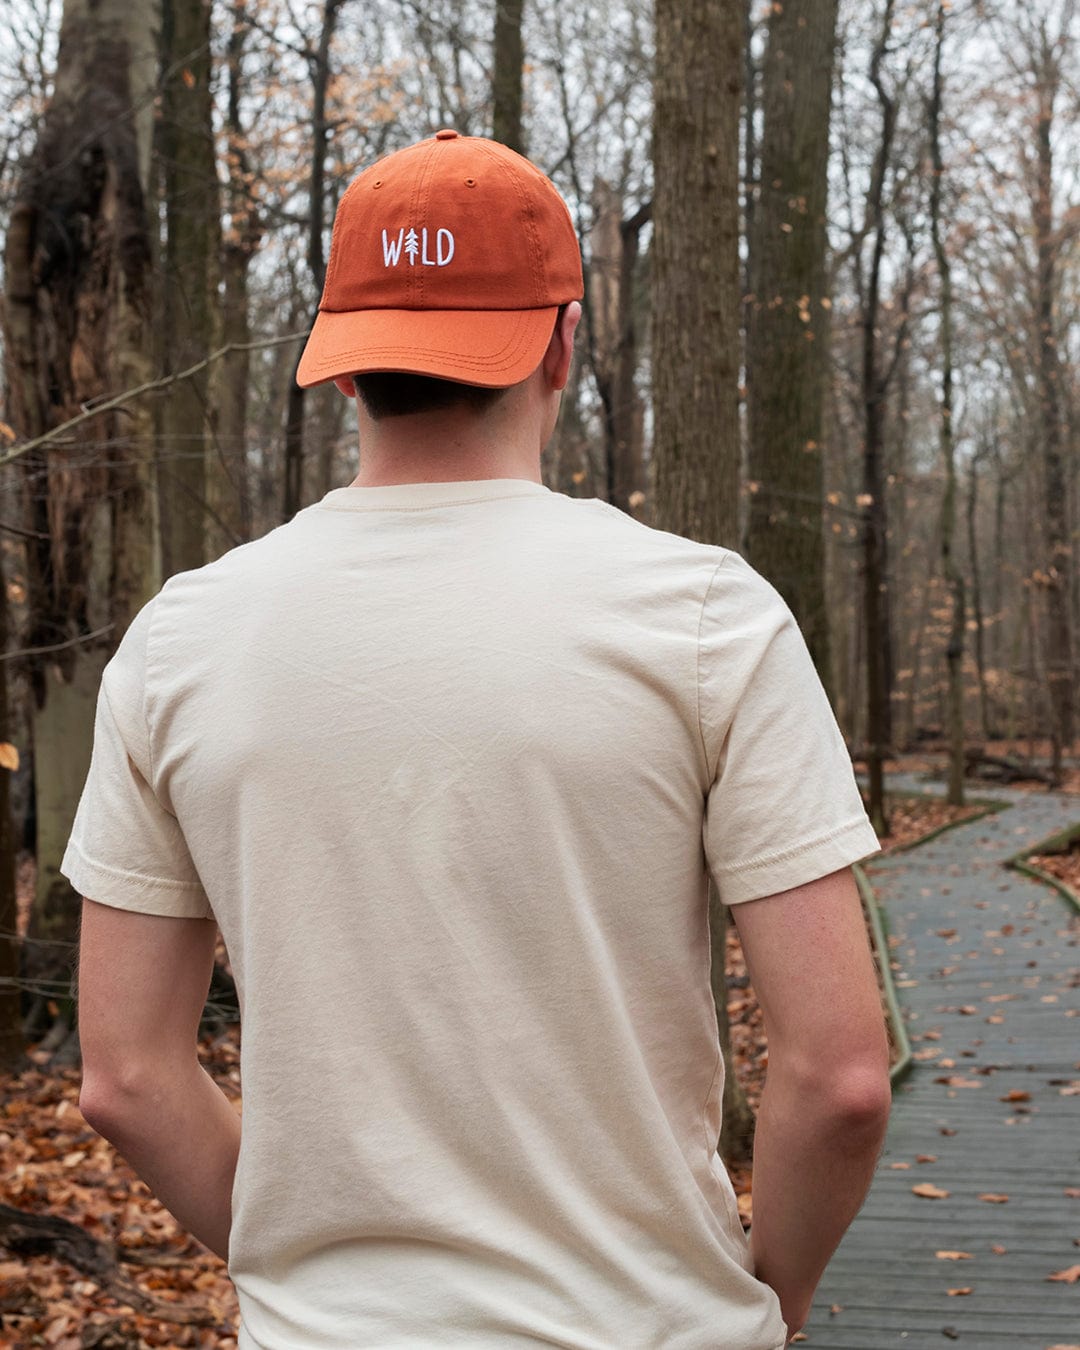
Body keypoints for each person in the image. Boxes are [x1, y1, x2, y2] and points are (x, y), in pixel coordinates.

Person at [65, 130, 891, 1350]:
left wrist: (323, 1283)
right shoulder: (705, 617)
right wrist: (777, 1294)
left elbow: (126, 1078)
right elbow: (841, 1078)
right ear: (563, 341)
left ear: (343, 367)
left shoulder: (182, 641)